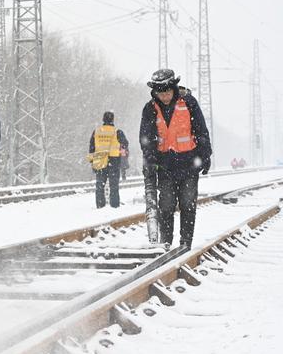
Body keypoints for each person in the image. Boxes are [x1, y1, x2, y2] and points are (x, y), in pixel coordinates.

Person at [139, 69, 212, 248]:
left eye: (167, 92)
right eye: (160, 93)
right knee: (166, 206)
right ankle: (166, 244)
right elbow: (146, 138)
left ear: (174, 88)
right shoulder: (150, 109)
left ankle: (185, 243)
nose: (164, 96)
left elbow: (201, 130)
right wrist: (149, 158)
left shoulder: (189, 103)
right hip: (165, 166)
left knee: (188, 204)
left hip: (189, 164)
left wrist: (205, 154)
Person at [88, 111, 128, 208]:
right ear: (112, 119)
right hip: (114, 161)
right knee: (114, 186)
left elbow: (91, 148)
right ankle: (114, 206)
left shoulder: (96, 131)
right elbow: (125, 146)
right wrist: (124, 162)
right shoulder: (117, 131)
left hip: (99, 161)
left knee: (100, 186)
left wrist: (92, 162)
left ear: (103, 119)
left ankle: (100, 206)